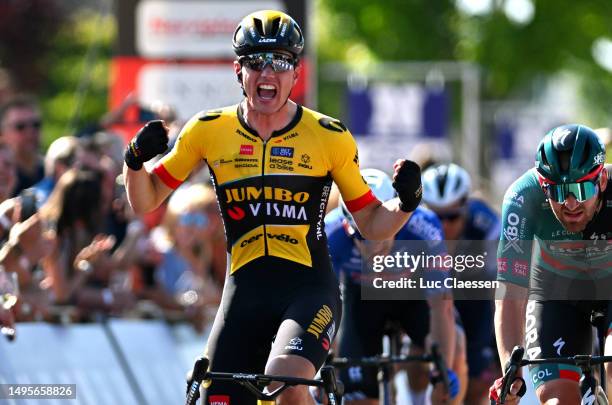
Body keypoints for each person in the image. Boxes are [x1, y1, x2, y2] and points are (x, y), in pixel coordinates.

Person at [122, 10, 423, 405]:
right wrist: (133, 160)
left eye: (280, 62)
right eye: (256, 62)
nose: (268, 73)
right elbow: (145, 200)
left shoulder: (328, 137)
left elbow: (370, 223)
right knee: (217, 397)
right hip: (243, 292)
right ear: (238, 70)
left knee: (284, 379)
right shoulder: (207, 130)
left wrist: (405, 203)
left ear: (297, 72)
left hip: (308, 290)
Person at [491, 124, 612, 404]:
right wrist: (511, 371)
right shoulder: (523, 197)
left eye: (580, 189)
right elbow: (510, 292)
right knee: (556, 400)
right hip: (556, 294)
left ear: (602, 181)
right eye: (557, 192)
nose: (570, 203)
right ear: (543, 187)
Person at [326, 168, 467, 405]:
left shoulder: (424, 227)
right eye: (362, 237)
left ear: (396, 221)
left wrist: (440, 369)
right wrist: (327, 362)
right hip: (361, 301)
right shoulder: (331, 232)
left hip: (414, 296)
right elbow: (324, 303)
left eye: (380, 233)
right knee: (356, 397)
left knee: (453, 357)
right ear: (347, 227)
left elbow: (441, 306)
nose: (372, 247)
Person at [422, 163, 500, 405]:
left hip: (474, 295)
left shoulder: (486, 224)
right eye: (436, 217)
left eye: (452, 217)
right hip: (431, 296)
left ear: (465, 208)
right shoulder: (415, 224)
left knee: (477, 381)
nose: (444, 225)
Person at [0, 95, 44, 195]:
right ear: (2, 134)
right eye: (20, 127)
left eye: (36, 124)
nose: (30, 132)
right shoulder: (4, 178)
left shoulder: (54, 173)